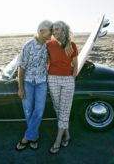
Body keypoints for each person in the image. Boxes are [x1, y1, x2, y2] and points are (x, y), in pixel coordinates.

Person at [15, 20, 53, 151]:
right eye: (50, 30)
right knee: (28, 109)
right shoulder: (28, 45)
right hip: (28, 82)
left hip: (42, 81)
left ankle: (27, 137)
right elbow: (21, 67)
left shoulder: (48, 45)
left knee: (40, 109)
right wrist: (20, 87)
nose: (52, 33)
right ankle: (34, 137)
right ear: (42, 31)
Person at [47, 21, 78, 154]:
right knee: (58, 109)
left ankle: (58, 141)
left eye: (57, 29)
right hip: (52, 79)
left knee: (64, 110)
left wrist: (72, 79)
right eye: (53, 30)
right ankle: (68, 135)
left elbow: (75, 65)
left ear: (64, 30)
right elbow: (45, 61)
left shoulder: (72, 46)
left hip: (67, 80)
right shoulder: (49, 45)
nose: (55, 32)